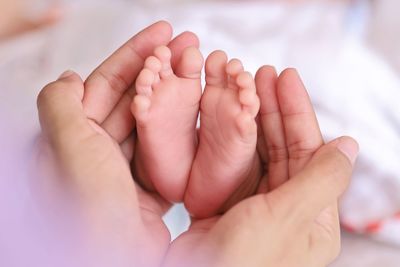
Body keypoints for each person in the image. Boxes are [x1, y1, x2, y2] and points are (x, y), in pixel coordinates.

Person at [35, 21, 358, 267]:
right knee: (295, 160)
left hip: (127, 218)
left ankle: (161, 172)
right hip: (235, 227)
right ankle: (211, 180)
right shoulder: (333, 31)